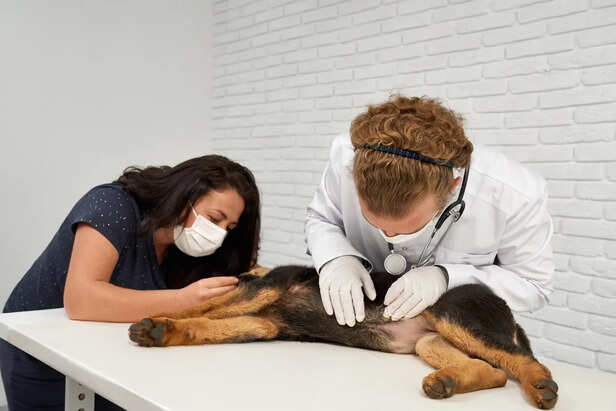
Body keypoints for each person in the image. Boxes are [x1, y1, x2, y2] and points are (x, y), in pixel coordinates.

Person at [0, 155, 260, 410]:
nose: (218, 234)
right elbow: (81, 300)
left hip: (104, 355)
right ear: (186, 195)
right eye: (214, 219)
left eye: (229, 228)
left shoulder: (183, 249)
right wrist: (182, 300)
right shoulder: (112, 204)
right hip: (38, 353)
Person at [306, 96, 554, 327]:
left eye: (408, 228)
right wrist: (337, 258)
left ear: (452, 188)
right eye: (375, 223)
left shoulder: (516, 194)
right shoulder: (345, 159)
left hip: (450, 329)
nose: (390, 236)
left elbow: (534, 287)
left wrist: (448, 278)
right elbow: (322, 218)